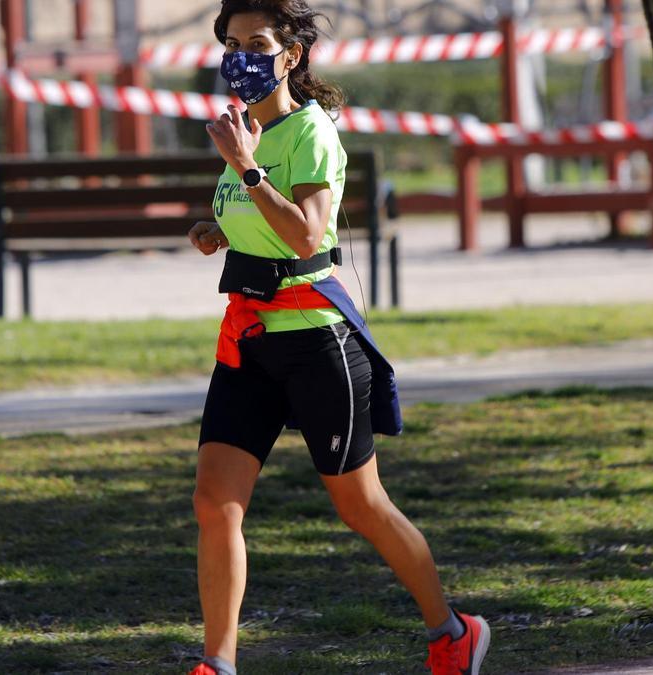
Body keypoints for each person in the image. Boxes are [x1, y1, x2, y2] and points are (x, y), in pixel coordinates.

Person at [185, 2, 490, 673]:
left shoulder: (309, 133)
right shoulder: (246, 130)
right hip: (250, 337)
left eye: (256, 42)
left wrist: (247, 168)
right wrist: (217, 231)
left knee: (361, 505)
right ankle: (218, 662)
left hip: (318, 342)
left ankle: (452, 629)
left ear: (290, 54)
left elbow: (303, 234)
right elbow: (254, 222)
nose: (241, 55)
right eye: (230, 43)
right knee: (215, 503)